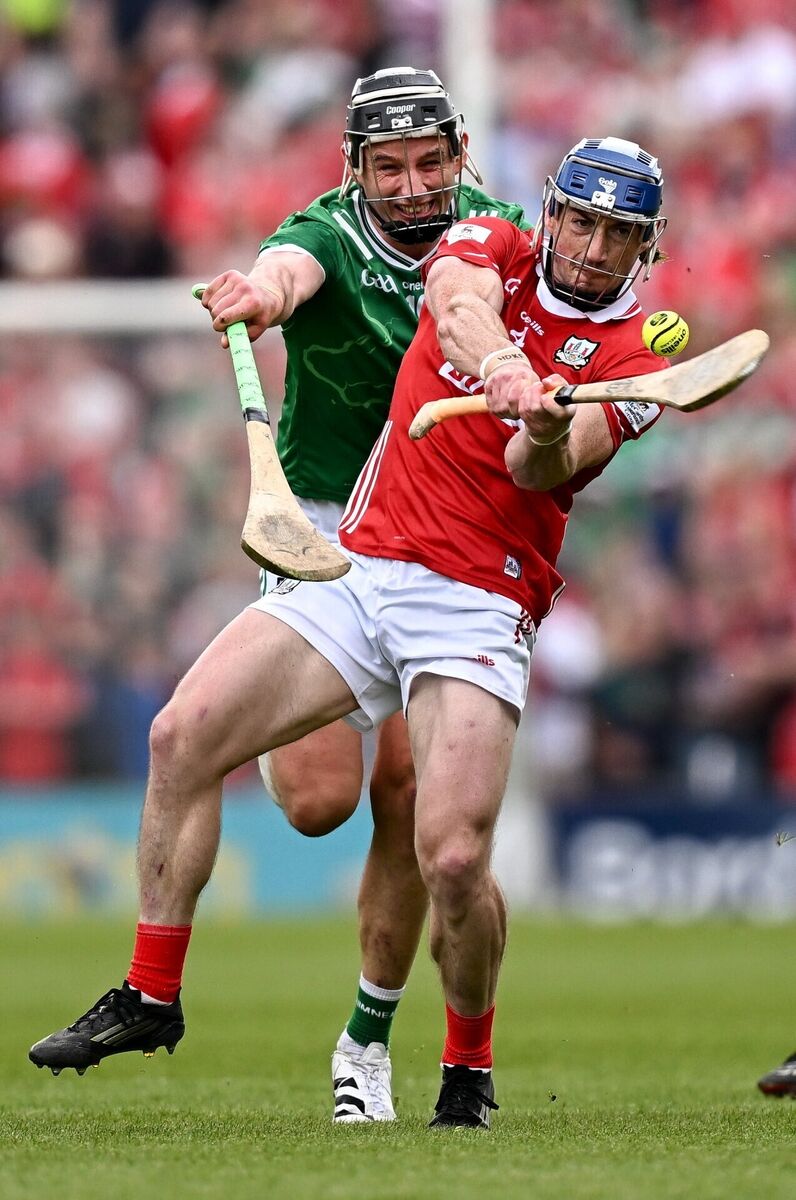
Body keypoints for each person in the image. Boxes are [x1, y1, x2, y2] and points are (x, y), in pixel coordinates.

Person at [29, 133, 669, 1129]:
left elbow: (544, 471)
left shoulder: (636, 362)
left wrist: (542, 425)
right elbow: (455, 307)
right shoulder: (490, 237)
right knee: (180, 735)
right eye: (579, 221)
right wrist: (502, 365)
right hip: (362, 568)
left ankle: (465, 1065)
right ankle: (152, 993)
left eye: (616, 233)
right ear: (552, 213)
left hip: (477, 602)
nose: (590, 246)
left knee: (451, 857)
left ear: (645, 246)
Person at [204, 67, 527, 1124]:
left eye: (428, 161)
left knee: (411, 801)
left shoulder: (496, 233)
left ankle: (368, 1043)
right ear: (354, 168)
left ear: (459, 152)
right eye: (386, 165)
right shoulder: (327, 231)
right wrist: (258, 294)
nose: (408, 184)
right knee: (315, 804)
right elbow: (287, 270)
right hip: (327, 524)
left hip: (438, 536)